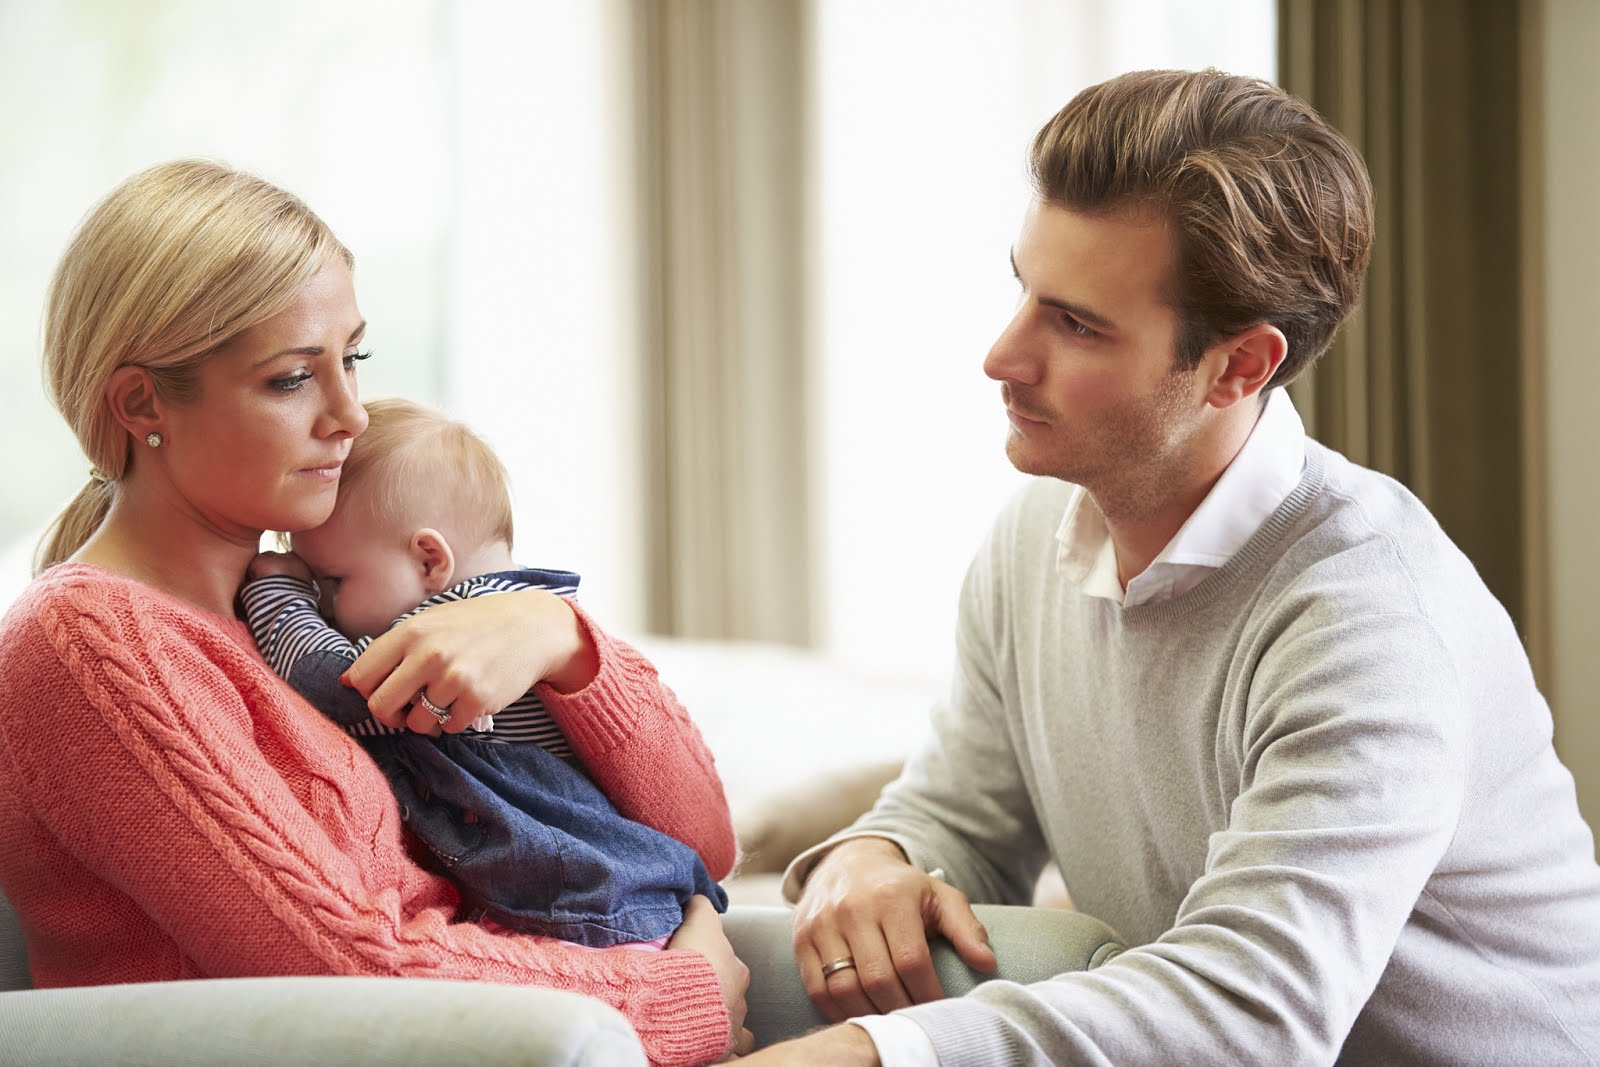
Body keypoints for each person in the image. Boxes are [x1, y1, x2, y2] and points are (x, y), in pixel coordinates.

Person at [748, 69, 1600, 1065]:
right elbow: (964, 810)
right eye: (1022, 288)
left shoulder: (1367, 618)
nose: (1001, 355)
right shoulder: (1036, 538)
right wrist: (872, 855)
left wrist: (872, 1053)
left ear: (1240, 365)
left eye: (1075, 324)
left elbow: (1252, 1011)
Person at [0, 159, 752, 1065]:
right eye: (290, 379)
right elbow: (346, 966)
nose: (351, 414)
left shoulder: (321, 614)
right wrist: (676, 997)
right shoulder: (91, 646)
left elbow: (700, 842)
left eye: (351, 359)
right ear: (141, 402)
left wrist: (563, 641)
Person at [240, 396, 727, 949]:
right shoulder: (529, 596)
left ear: (429, 561)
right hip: (615, 904)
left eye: (332, 582)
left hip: (572, 913)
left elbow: (335, 683)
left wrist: (276, 593)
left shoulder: (456, 630)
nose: (324, 607)